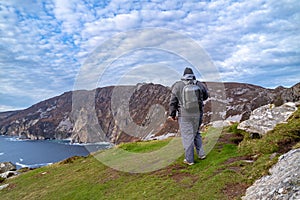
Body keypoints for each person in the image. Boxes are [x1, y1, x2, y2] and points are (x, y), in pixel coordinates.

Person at [168, 67, 209, 165]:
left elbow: (173, 102)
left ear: (183, 75)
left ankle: (189, 160)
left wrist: (172, 114)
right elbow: (206, 96)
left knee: (187, 136)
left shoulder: (178, 85)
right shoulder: (199, 84)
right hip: (198, 114)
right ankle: (201, 154)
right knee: (196, 133)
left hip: (184, 115)